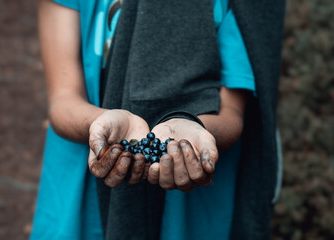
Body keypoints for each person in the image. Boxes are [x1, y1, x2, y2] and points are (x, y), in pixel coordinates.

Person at [32, 0, 284, 239]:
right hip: (80, 195)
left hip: (192, 210)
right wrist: (101, 122)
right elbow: (62, 99)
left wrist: (194, 128)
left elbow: (233, 114)